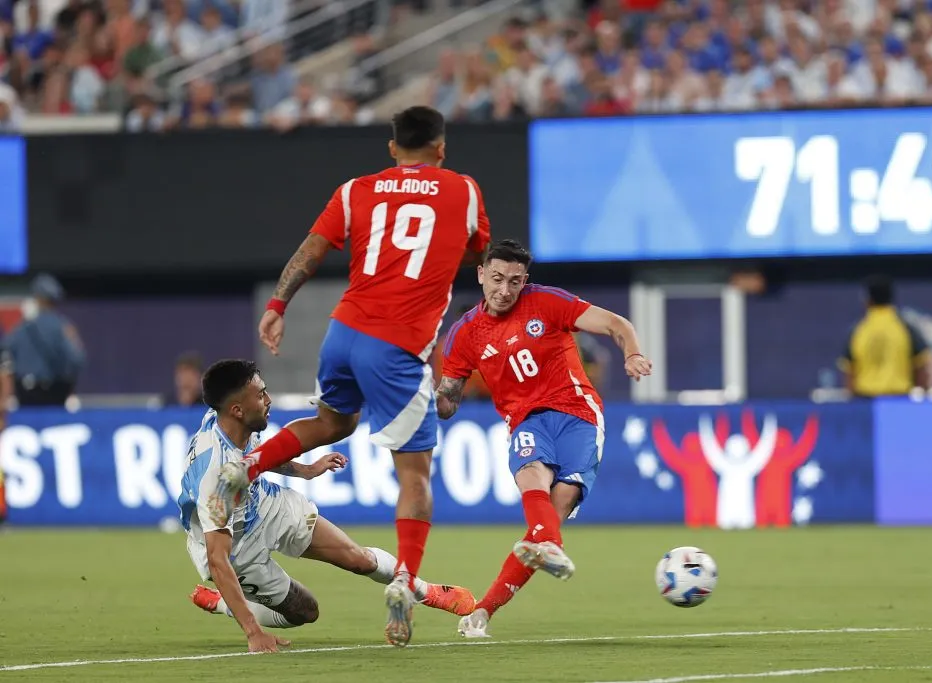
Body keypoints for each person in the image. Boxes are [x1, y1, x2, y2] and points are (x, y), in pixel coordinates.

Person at [208, 106, 491, 647]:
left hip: (344, 333)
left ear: (391, 149)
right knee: (414, 478)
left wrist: (277, 304)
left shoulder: (354, 191)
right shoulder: (464, 190)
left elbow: (310, 251)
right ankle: (405, 583)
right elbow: (483, 256)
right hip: (398, 347)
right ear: (441, 148)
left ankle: (245, 468)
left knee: (332, 422)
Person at [179, 360, 476, 654]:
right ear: (237, 410)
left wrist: (305, 470)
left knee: (358, 559)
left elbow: (256, 456)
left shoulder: (230, 420)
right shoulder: (214, 481)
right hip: (236, 547)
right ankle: (221, 602)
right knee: (304, 612)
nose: (268, 400)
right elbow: (218, 558)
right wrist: (253, 633)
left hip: (266, 505)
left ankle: (428, 592)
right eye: (260, 395)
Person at [435, 239, 652, 638]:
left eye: (514, 282)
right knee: (532, 476)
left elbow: (616, 324)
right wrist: (426, 404)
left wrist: (632, 353)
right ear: (481, 274)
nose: (505, 290)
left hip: (578, 413)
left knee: (557, 507)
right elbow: (448, 400)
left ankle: (484, 610)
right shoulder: (465, 333)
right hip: (525, 420)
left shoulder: (546, 302)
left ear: (525, 281)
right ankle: (551, 546)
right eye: (497, 279)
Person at [1, 274, 86, 407]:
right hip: (55, 393)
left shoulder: (22, 327)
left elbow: (5, 354)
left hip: (25, 392)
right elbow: (77, 360)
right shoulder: (62, 327)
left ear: (37, 298)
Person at [838, 275, 930, 397]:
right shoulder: (905, 328)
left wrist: (853, 405)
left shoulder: (858, 330)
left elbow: (849, 373)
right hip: (898, 401)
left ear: (868, 300)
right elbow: (921, 368)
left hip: (866, 401)